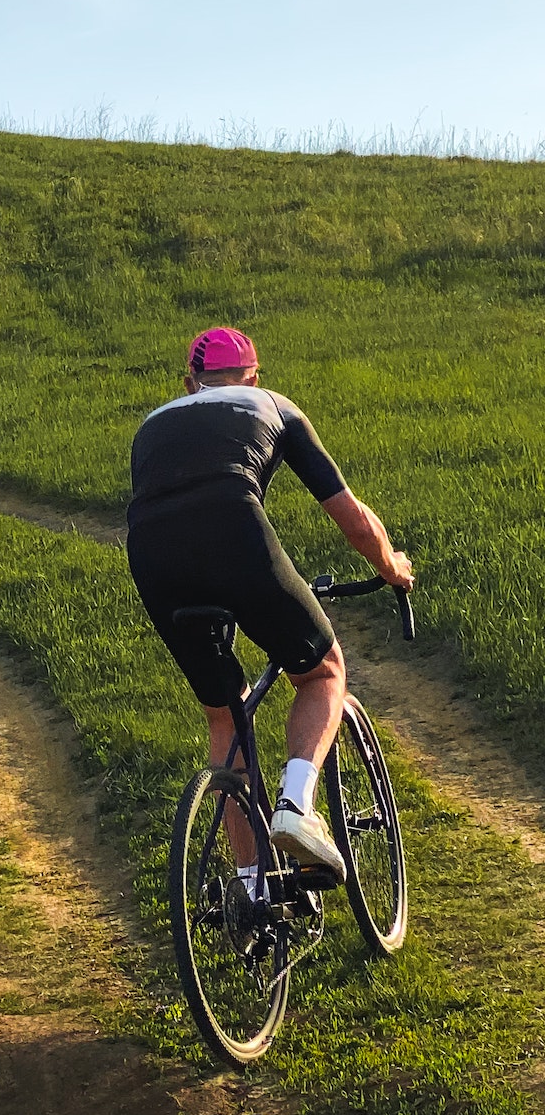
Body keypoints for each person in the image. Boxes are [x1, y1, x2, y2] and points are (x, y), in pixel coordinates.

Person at [126, 326, 413, 880]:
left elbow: (170, 506)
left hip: (152, 556)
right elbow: (350, 514)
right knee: (323, 671)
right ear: (254, 376)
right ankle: (297, 807)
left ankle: (250, 885)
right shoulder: (272, 405)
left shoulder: (152, 425)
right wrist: (391, 568)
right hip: (234, 531)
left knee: (224, 717)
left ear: (190, 383)